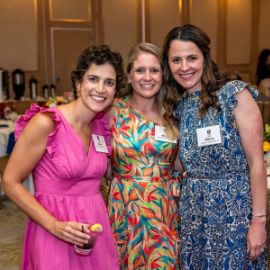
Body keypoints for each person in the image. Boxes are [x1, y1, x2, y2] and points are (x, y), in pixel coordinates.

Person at [2, 44, 124, 270]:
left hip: (94, 232)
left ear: (115, 91)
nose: (101, 88)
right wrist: (54, 225)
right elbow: (10, 181)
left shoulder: (101, 128)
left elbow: (110, 174)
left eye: (109, 82)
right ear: (79, 84)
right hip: (54, 231)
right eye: (93, 79)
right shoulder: (47, 123)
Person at [162, 24, 268, 269]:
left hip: (234, 213)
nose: (184, 67)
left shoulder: (233, 94)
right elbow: (182, 162)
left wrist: (258, 223)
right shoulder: (177, 104)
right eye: (176, 60)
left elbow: (256, 164)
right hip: (193, 215)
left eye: (191, 58)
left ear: (205, 58)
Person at [108, 42, 181, 269]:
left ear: (163, 75)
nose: (147, 77)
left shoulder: (174, 113)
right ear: (129, 76)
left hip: (163, 210)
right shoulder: (112, 110)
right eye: (140, 70)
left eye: (154, 70)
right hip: (124, 208)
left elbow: (179, 165)